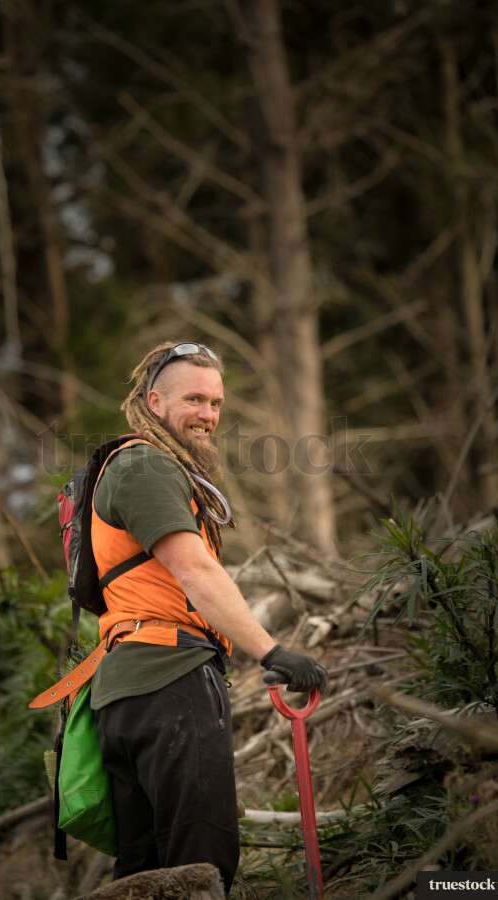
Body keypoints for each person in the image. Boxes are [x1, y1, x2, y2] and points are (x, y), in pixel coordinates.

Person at [90, 341, 328, 896]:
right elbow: (195, 572)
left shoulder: (137, 465)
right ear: (153, 402)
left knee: (145, 875)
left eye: (216, 403)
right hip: (168, 681)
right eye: (194, 399)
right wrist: (271, 653)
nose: (208, 415)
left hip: (127, 692)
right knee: (202, 864)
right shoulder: (145, 464)